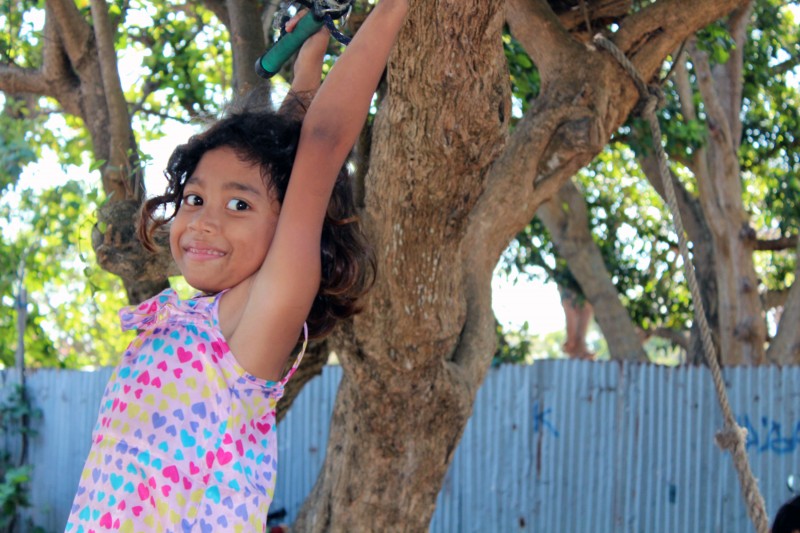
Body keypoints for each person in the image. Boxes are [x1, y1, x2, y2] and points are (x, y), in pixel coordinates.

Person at [65, 1, 408, 531]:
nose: (203, 221)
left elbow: (318, 146)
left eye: (239, 206)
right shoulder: (196, 318)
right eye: (195, 199)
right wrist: (309, 54)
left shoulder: (257, 321)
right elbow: (290, 155)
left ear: (286, 229)